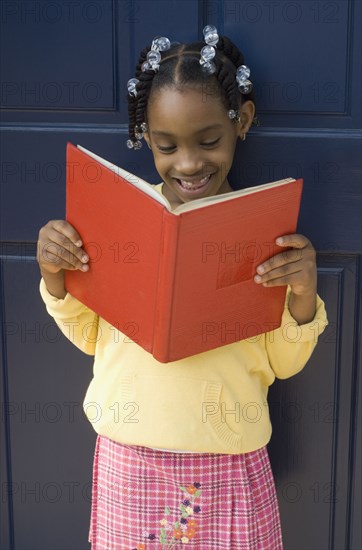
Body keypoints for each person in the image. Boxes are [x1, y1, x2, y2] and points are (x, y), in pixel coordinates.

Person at [37, 26, 328, 550]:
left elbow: (282, 363)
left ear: (242, 121)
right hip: (131, 462)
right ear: (145, 136)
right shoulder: (119, 219)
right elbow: (89, 337)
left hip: (229, 464)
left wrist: (303, 295)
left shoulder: (266, 230)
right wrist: (56, 275)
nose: (189, 164)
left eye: (208, 141)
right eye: (166, 146)